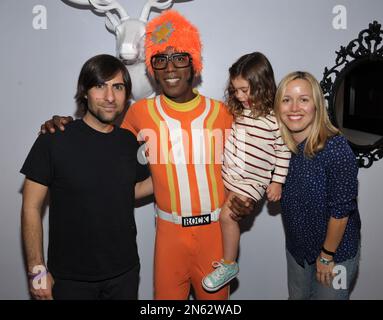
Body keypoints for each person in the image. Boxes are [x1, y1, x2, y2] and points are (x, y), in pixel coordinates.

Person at [38, 10, 255, 300]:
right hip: (169, 235)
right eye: (160, 60)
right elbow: (102, 140)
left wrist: (248, 197)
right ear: (151, 66)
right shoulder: (138, 113)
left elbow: (256, 156)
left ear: (194, 64)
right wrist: (65, 124)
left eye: (180, 57)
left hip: (215, 235)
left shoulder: (224, 112)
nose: (170, 68)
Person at [21, 54, 152, 300]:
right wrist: (37, 273)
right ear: (84, 92)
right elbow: (30, 207)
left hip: (124, 274)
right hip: (70, 280)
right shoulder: (54, 138)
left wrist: (178, 171)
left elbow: (128, 190)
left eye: (118, 87)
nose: (110, 97)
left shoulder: (129, 143)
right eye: (100, 86)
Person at [202, 52, 291, 292]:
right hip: (229, 173)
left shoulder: (275, 119)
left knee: (227, 217)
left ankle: (229, 265)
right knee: (216, 215)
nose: (240, 96)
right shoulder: (241, 111)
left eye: (245, 90)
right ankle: (216, 258)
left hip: (252, 181)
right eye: (235, 90)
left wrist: (277, 182)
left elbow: (284, 152)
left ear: (262, 86)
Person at [274, 71, 361, 299]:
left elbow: (341, 213)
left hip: (335, 254)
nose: (294, 107)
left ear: (316, 106)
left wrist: (326, 256)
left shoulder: (336, 148)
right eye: (286, 99)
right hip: (298, 251)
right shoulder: (280, 149)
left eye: (304, 99)